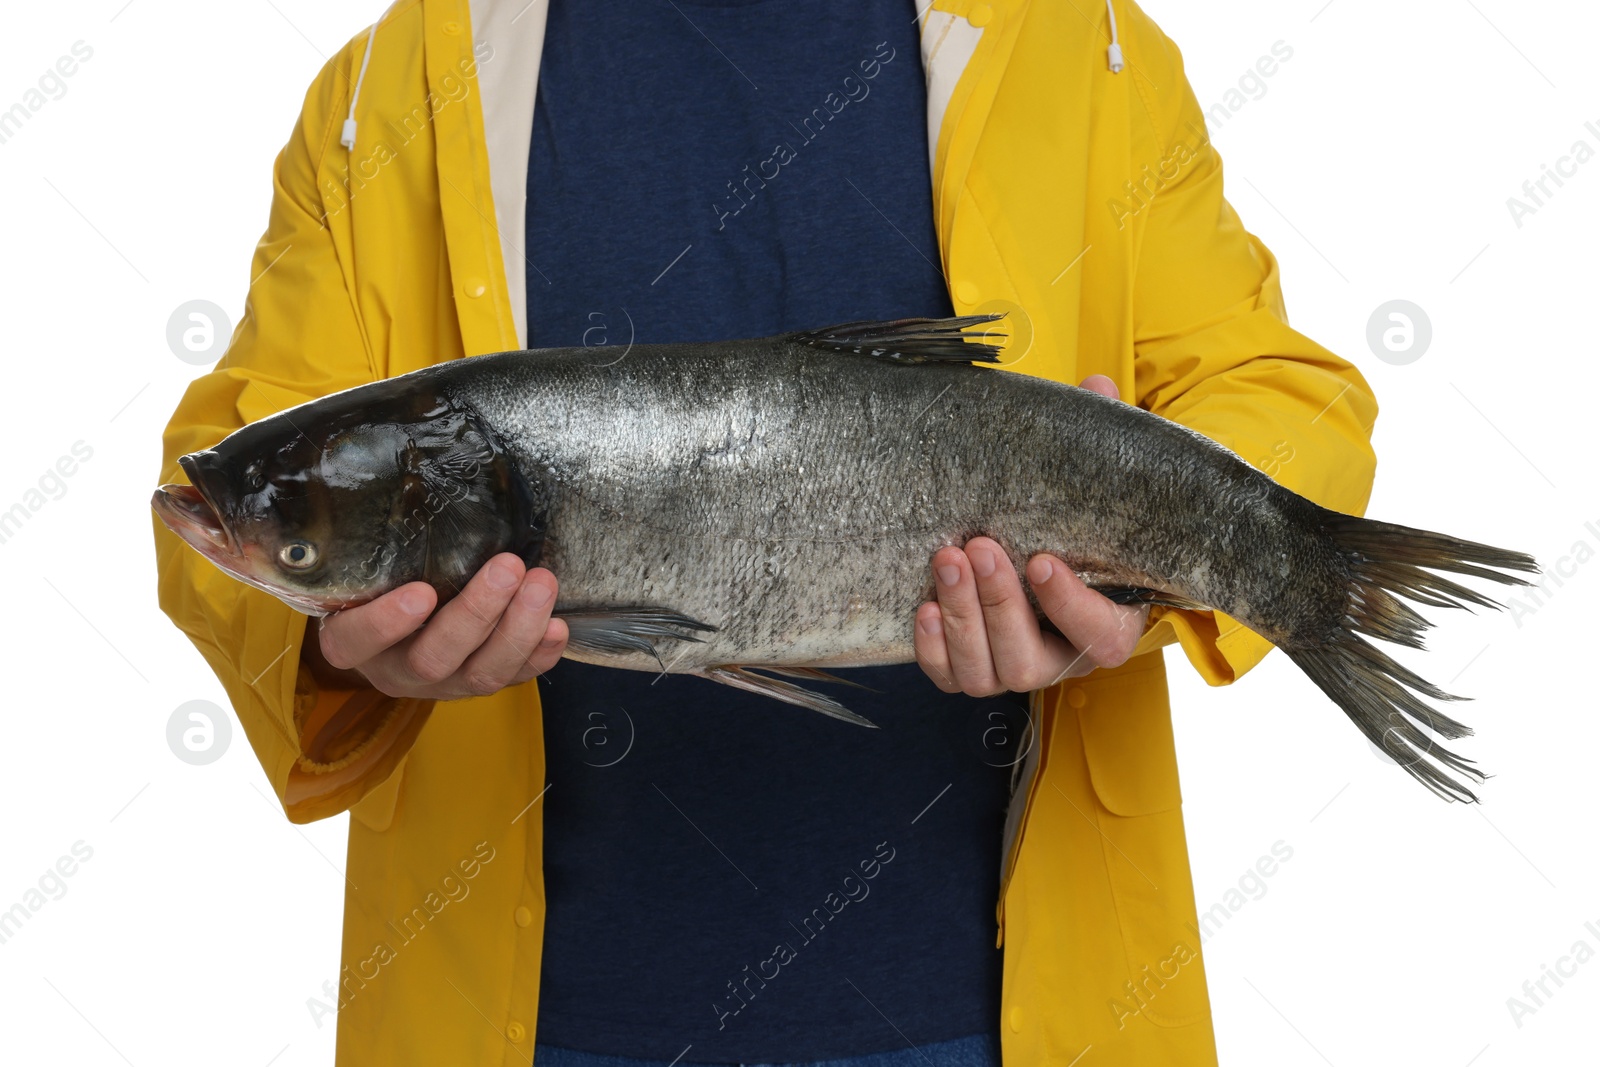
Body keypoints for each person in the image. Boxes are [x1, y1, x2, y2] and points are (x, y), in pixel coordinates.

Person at [153, 2, 1379, 1065]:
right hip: (521, 1023)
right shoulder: (393, 83)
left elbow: (1280, 393)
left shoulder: (1081, 41)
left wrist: (1142, 567)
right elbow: (232, 475)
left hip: (1009, 1018)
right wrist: (335, 649)